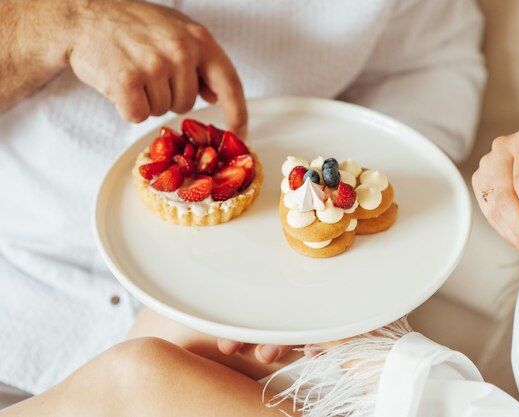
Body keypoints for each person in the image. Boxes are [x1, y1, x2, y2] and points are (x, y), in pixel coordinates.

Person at [0, 0, 486, 412]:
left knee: (140, 375)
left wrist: (330, 271)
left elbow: (432, 71)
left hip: (246, 340)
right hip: (19, 298)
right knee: (137, 377)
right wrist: (53, 23)